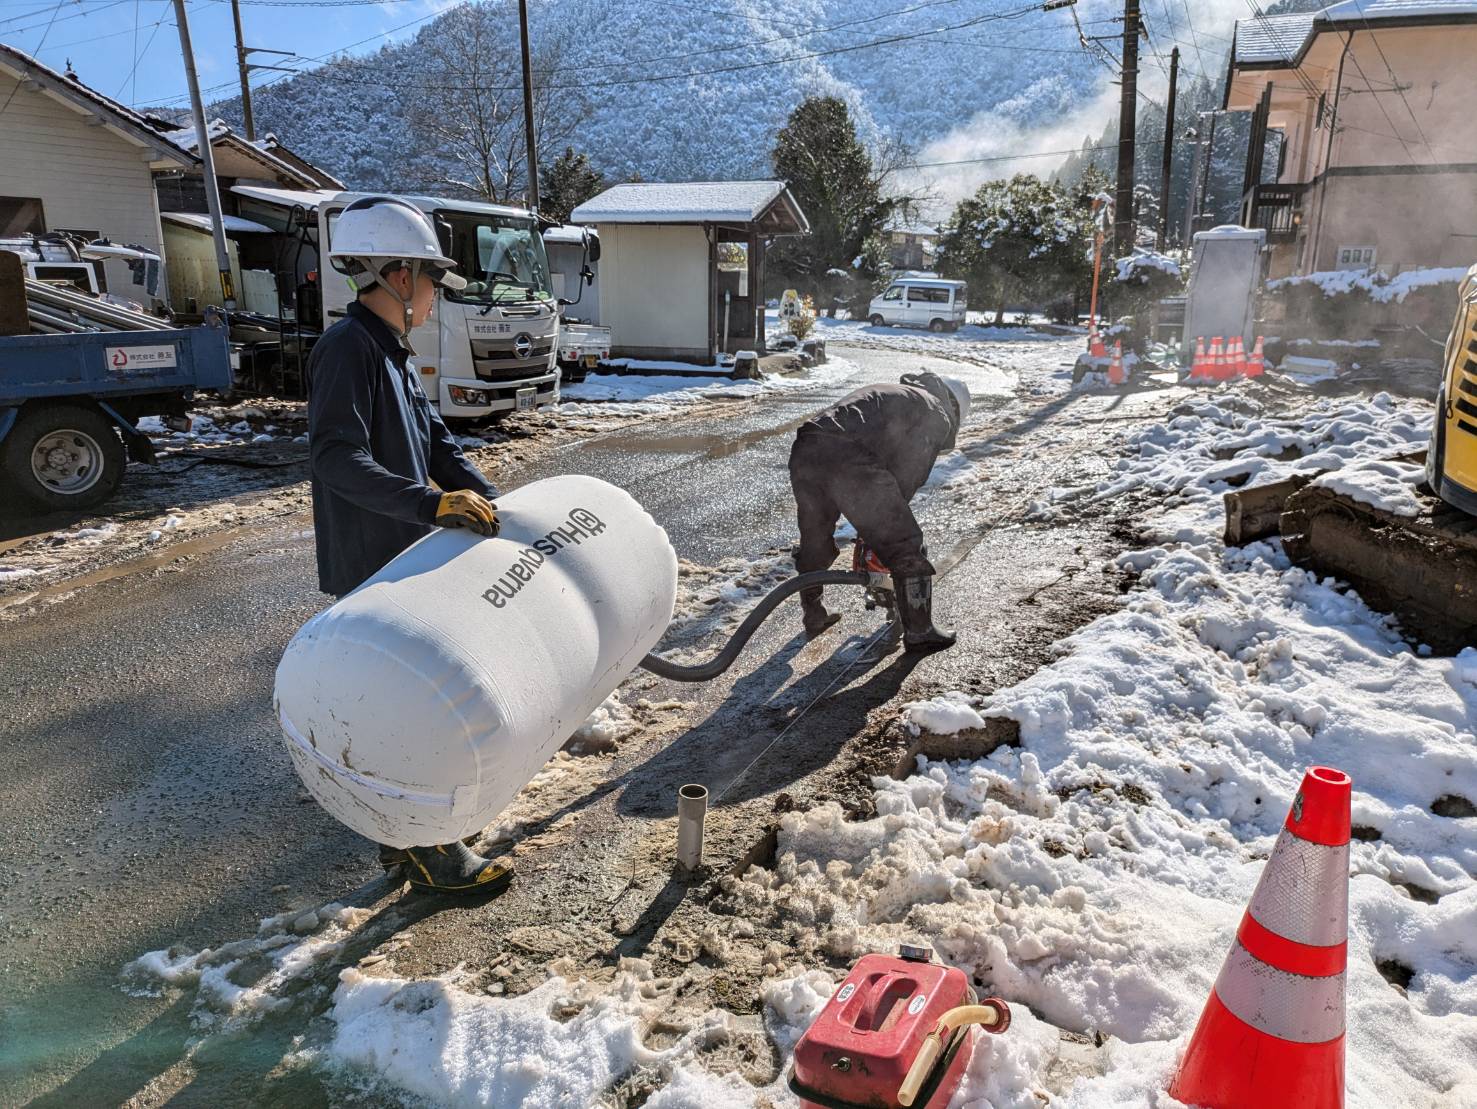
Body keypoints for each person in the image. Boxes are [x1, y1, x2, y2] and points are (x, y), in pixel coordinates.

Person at [307, 195, 509, 896]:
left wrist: (491, 502)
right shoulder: (346, 349)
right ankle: (426, 848)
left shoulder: (391, 350)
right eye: (429, 279)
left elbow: (436, 443)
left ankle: (414, 836)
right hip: (370, 561)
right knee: (397, 714)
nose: (433, 295)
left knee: (412, 703)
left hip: (404, 558)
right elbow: (334, 456)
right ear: (398, 275)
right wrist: (429, 503)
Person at [788, 371, 971, 653]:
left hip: (808, 444)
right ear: (955, 408)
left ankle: (814, 614)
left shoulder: (901, 395)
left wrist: (869, 536)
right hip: (846, 451)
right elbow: (903, 483)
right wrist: (880, 538)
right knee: (903, 541)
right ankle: (920, 631)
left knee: (816, 538)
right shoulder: (935, 411)